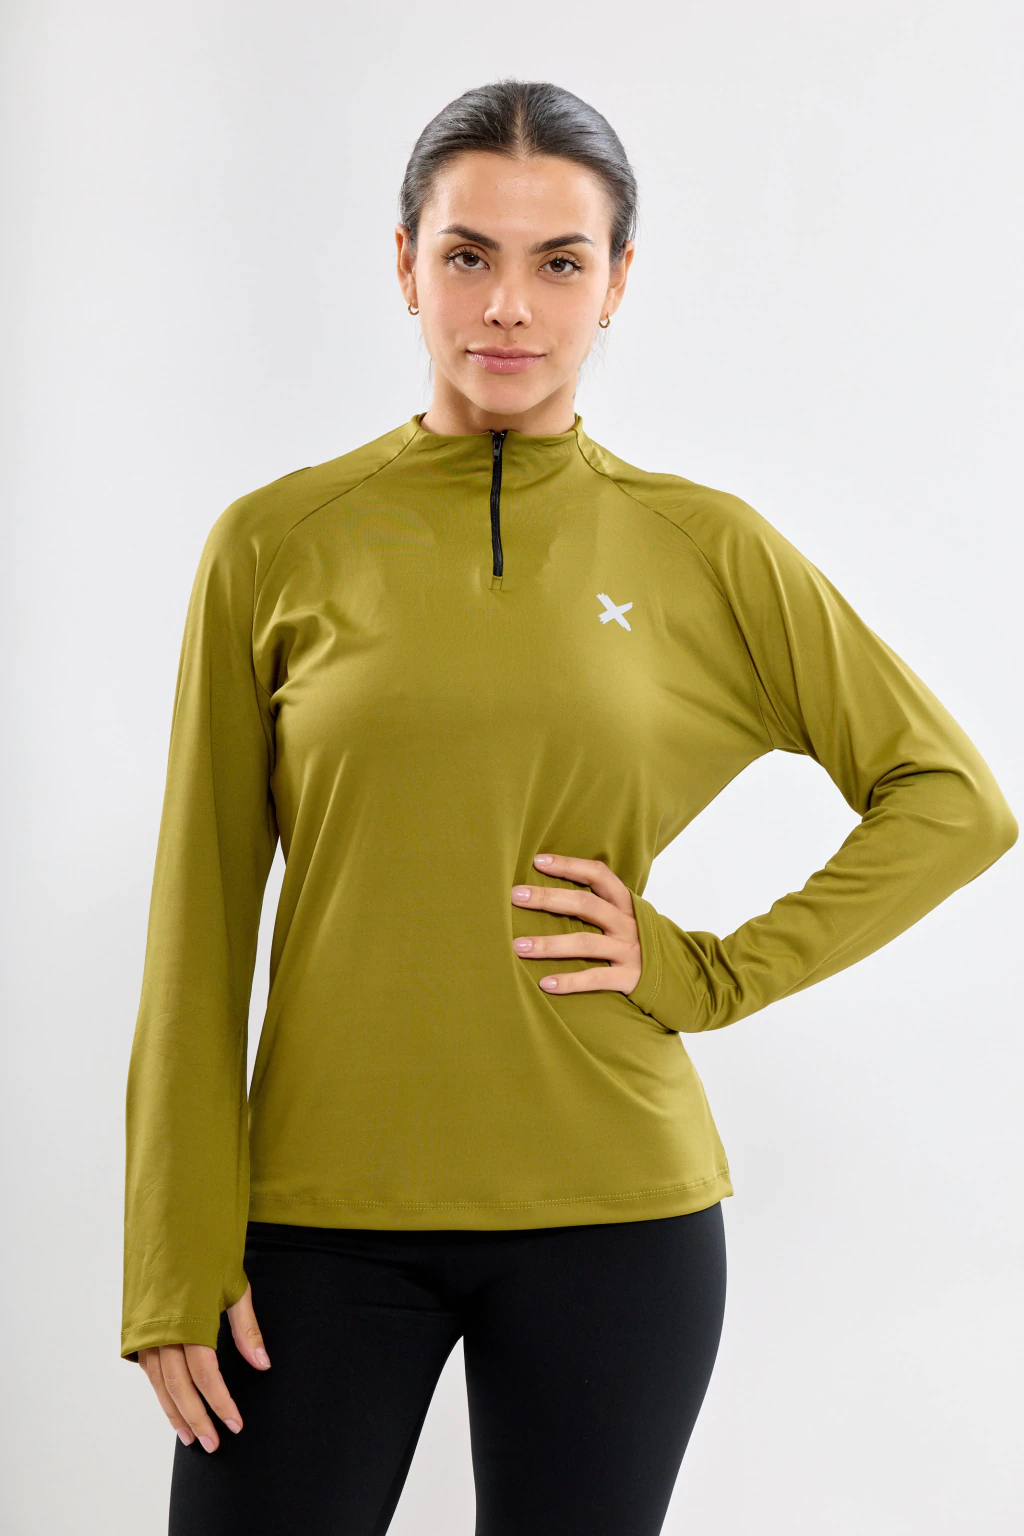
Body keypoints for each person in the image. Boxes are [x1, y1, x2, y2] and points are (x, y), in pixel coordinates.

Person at [121, 78, 1017, 1535]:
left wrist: (711, 973)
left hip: (617, 1222)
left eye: (559, 262)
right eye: (468, 254)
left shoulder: (704, 547)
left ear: (618, 283)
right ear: (405, 262)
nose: (509, 306)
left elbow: (953, 801)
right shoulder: (274, 543)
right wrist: (171, 1253)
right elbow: (198, 920)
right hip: (311, 1227)